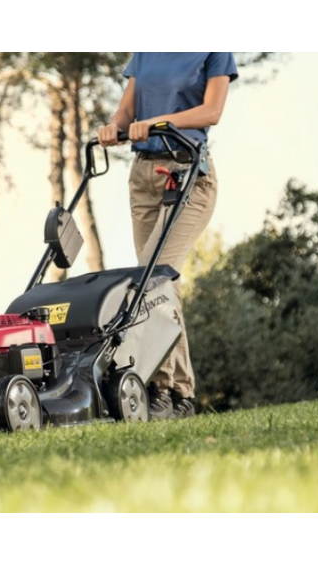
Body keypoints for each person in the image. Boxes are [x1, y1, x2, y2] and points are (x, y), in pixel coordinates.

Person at [98, 53, 238, 420]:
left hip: (188, 171)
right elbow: (126, 111)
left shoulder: (213, 50)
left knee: (153, 279)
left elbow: (211, 112)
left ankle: (159, 387)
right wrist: (113, 127)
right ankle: (181, 394)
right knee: (160, 284)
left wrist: (158, 122)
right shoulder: (145, 51)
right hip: (143, 176)